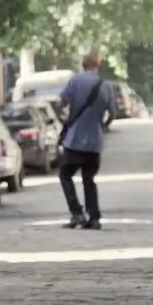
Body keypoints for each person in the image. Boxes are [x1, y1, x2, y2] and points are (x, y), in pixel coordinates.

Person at [57, 52, 115, 229]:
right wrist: (102, 126)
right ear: (98, 66)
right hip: (94, 142)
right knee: (89, 178)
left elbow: (62, 102)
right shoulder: (106, 86)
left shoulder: (75, 81)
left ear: (83, 65)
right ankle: (94, 218)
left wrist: (64, 119)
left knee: (65, 175)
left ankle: (77, 214)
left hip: (74, 140)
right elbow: (113, 114)